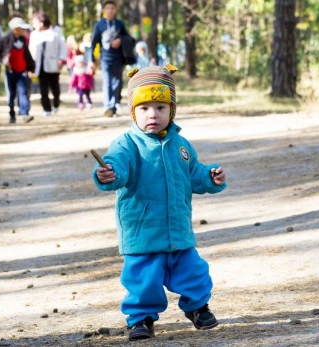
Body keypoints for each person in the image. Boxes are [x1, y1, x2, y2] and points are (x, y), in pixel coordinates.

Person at [92, 65, 227, 341]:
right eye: (144, 108)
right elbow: (117, 168)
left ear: (171, 110)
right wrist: (108, 174)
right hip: (143, 232)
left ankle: (198, 307)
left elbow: (195, 174)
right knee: (143, 279)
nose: (152, 114)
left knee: (194, 272)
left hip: (178, 231)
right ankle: (140, 318)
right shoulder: (127, 144)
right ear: (133, 112)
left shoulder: (181, 145)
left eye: (160, 107)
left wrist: (210, 177)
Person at [89, 1, 130, 117]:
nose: (110, 10)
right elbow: (93, 43)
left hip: (118, 58)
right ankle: (108, 106)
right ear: (104, 11)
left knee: (117, 83)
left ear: (115, 10)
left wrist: (120, 40)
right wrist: (91, 60)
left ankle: (115, 103)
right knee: (107, 81)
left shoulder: (119, 24)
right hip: (105, 58)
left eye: (112, 8)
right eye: (108, 8)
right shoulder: (99, 25)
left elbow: (128, 37)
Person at [29, 12, 66, 117]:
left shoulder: (55, 31)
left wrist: (61, 60)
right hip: (39, 65)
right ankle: (46, 108)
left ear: (41, 22)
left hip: (53, 64)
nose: (33, 25)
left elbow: (62, 46)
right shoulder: (34, 34)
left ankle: (56, 104)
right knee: (43, 88)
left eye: (35, 22)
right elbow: (31, 51)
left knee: (55, 87)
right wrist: (31, 67)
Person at [0, 17, 35, 124]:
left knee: (23, 92)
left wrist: (31, 67)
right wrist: (4, 61)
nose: (24, 31)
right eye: (21, 28)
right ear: (15, 29)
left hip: (22, 70)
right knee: (11, 94)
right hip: (10, 71)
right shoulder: (5, 39)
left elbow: (26, 54)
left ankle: (25, 113)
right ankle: (12, 114)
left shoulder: (22, 39)